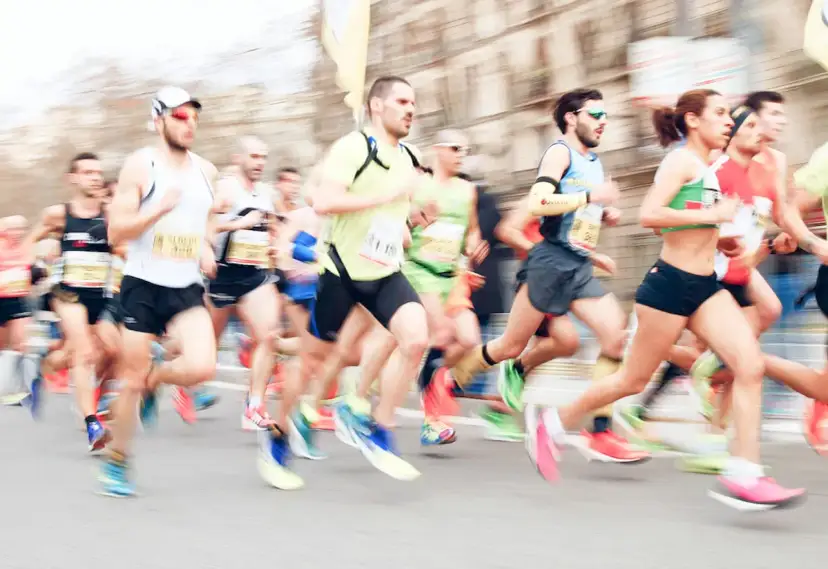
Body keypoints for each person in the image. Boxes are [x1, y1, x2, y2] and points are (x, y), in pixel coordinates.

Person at [525, 88, 805, 510]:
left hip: (704, 286)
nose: (729, 121)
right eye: (721, 113)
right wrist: (711, 217)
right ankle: (553, 422)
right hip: (669, 286)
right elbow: (649, 215)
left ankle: (746, 473)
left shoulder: (710, 167)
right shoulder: (680, 161)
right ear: (694, 120)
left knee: (749, 365)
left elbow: (680, 224)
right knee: (631, 382)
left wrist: (722, 239)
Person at [441, 88, 645, 462]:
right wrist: (590, 200)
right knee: (509, 347)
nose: (604, 122)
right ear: (572, 117)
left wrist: (602, 219)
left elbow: (578, 218)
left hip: (577, 267)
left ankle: (599, 432)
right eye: (596, 115)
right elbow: (538, 202)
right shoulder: (559, 152)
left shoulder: (594, 162)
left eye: (606, 116)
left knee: (614, 336)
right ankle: (449, 382)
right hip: (549, 264)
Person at [258, 76, 429, 489]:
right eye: (402, 101)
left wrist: (409, 225)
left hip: (384, 271)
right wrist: (385, 197)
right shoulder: (354, 148)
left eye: (413, 103)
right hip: (341, 274)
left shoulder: (407, 157)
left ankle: (380, 430)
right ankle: (277, 436)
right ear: (376, 106)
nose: (411, 109)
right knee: (311, 362)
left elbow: (391, 222)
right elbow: (325, 202)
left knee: (417, 340)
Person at [99, 86, 219, 497]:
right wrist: (157, 210)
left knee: (202, 367)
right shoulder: (141, 165)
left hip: (185, 286)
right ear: (159, 119)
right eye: (180, 116)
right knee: (129, 383)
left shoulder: (207, 171)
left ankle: (158, 376)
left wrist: (205, 248)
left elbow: (204, 224)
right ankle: (117, 461)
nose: (190, 124)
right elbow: (116, 231)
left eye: (194, 118)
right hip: (143, 286)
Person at [31, 152, 113, 451]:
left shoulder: (112, 214)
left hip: (100, 294)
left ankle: (45, 367)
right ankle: (91, 422)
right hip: (67, 293)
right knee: (84, 350)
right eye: (88, 172)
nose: (95, 177)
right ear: (73, 178)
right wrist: (41, 254)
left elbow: (127, 245)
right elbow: (32, 241)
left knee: (113, 349)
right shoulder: (58, 214)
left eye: (98, 172)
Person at [205, 136, 281, 430]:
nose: (260, 163)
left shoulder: (266, 192)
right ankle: (171, 373)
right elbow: (205, 225)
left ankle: (254, 405)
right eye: (254, 156)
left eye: (263, 157)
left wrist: (273, 244)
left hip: (254, 274)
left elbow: (270, 227)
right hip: (222, 274)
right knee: (205, 349)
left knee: (269, 334)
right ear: (238, 158)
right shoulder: (226, 189)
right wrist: (236, 225)